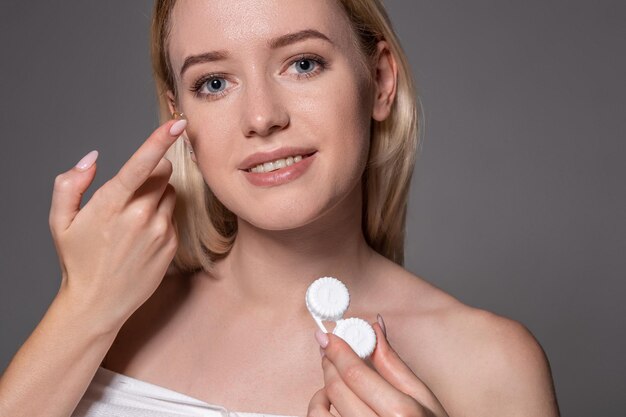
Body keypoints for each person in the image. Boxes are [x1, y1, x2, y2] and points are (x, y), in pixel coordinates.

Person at [0, 0, 561, 416]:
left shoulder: (493, 367)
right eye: (215, 82)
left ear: (381, 81)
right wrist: (83, 308)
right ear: (182, 122)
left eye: (303, 64)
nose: (262, 117)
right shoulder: (112, 319)